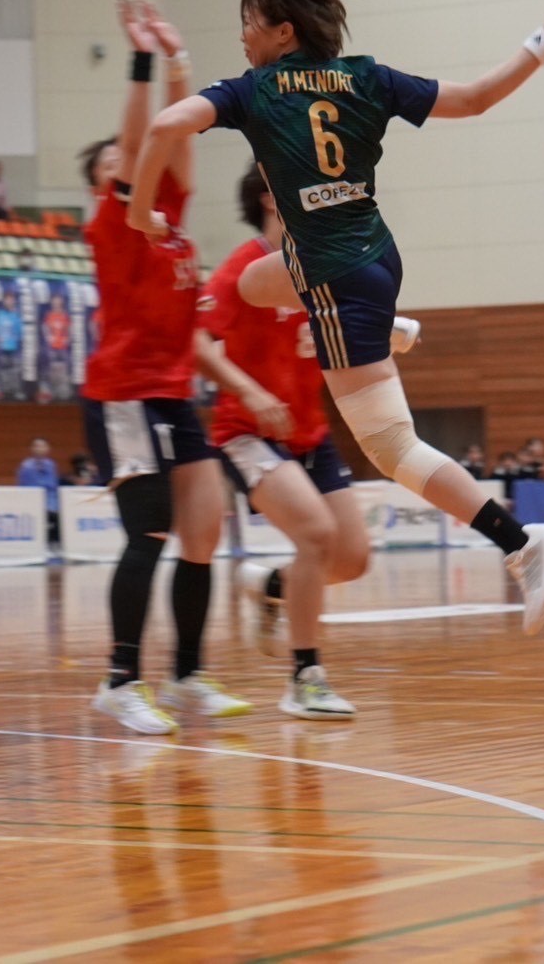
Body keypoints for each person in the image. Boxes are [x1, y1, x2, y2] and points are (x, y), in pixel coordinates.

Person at [125, 0, 544, 632]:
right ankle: (382, 326)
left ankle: (522, 543)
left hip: (335, 279)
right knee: (250, 285)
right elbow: (475, 98)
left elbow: (161, 130)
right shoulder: (365, 77)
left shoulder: (254, 90)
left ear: (281, 31)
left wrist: (140, 212)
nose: (241, 36)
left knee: (391, 448)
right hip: (372, 256)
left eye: (248, 22)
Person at [80, 0, 250, 735]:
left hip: (171, 393)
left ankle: (186, 675)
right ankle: (120, 680)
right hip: (123, 392)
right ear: (105, 180)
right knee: (149, 530)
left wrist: (180, 59)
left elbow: (177, 135)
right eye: (113, 165)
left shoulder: (172, 221)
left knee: (204, 529)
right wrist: (143, 60)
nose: (129, 162)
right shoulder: (113, 222)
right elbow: (141, 138)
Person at [200, 161, 380, 718]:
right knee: (317, 535)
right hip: (246, 432)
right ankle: (305, 678)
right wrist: (249, 391)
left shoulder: (320, 264)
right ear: (271, 197)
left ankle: (271, 583)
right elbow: (196, 342)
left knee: (352, 559)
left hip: (309, 431)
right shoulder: (242, 267)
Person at [17, 437, 61, 541]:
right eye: (37, 446)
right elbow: (27, 486)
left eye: (43, 446)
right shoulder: (26, 466)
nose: (40, 449)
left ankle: (55, 541)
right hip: (34, 500)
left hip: (52, 500)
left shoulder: (51, 464)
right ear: (32, 449)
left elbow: (54, 485)